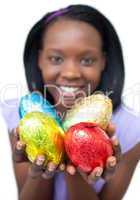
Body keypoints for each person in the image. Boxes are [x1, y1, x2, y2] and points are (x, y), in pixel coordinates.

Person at [1, 4, 140, 200]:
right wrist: (39, 169)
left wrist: (75, 162)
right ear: (39, 59)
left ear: (104, 62)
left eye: (87, 60)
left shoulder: (131, 129)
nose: (71, 73)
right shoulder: (24, 115)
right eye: (56, 58)